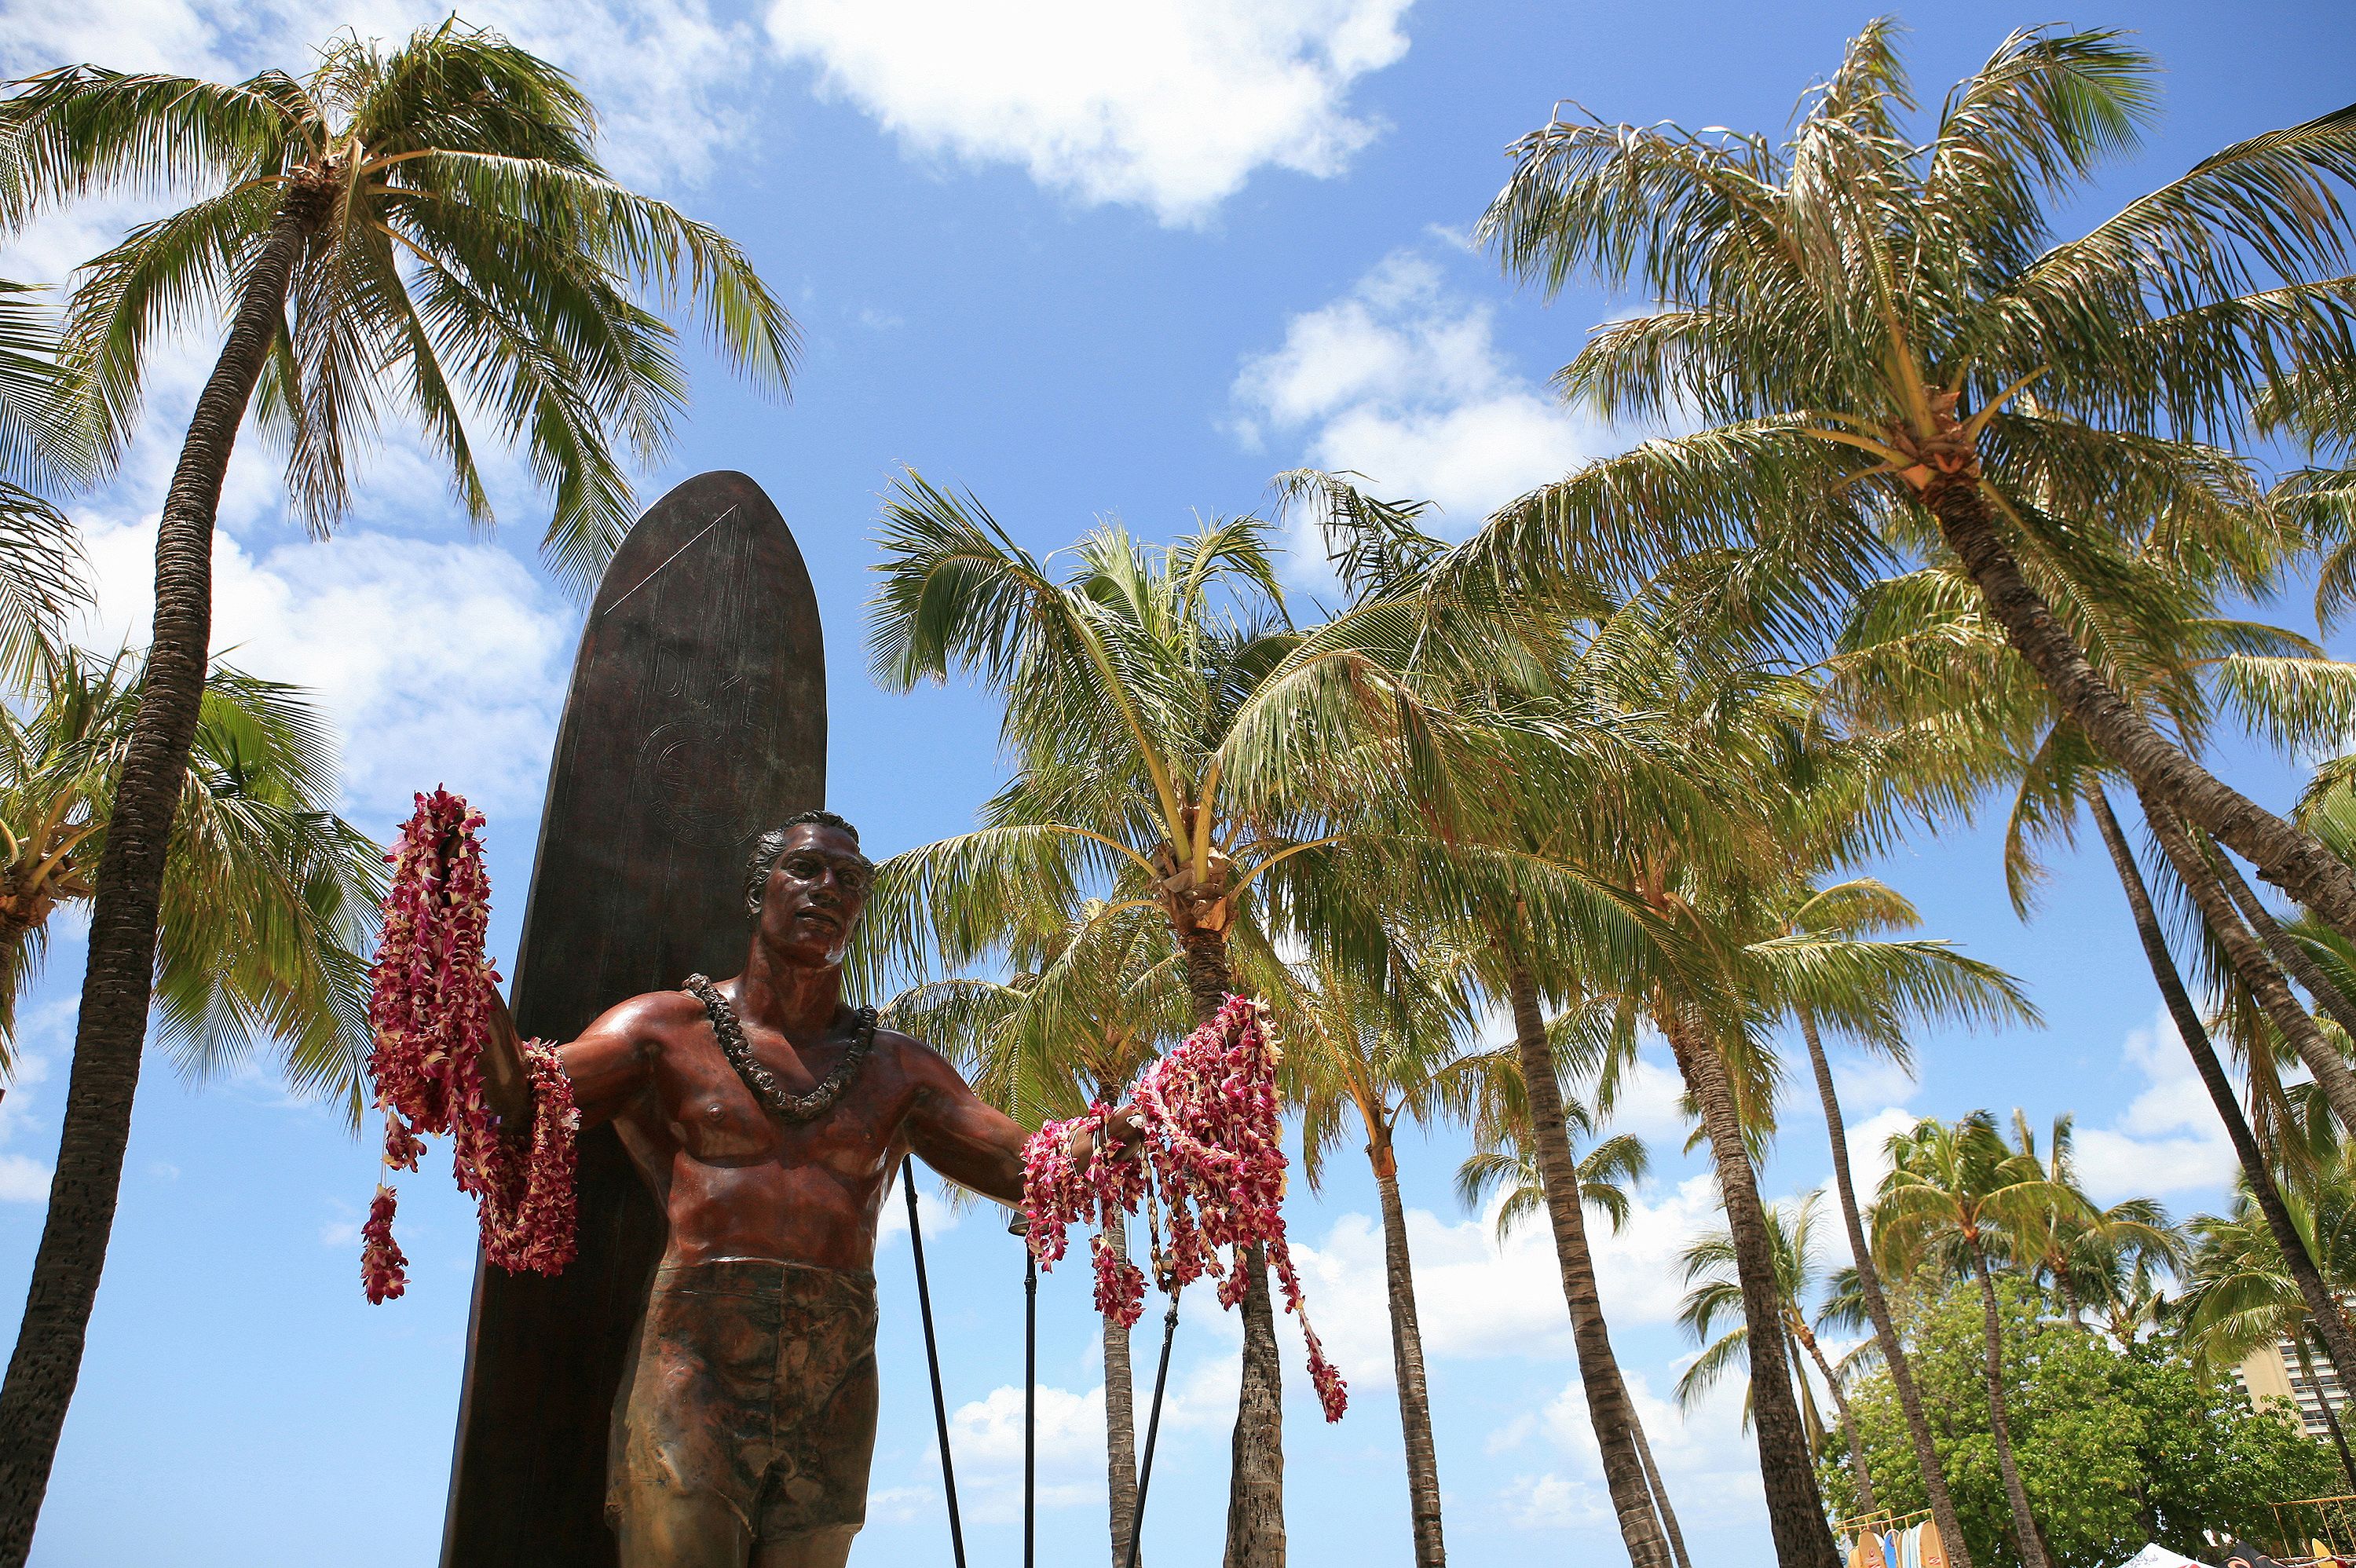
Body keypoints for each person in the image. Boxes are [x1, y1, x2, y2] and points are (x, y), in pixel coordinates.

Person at [476, 810, 1133, 1568]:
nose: (829, 889)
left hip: (837, 1366)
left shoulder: (897, 1068)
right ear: (760, 891)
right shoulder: (665, 1030)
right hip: (698, 1358)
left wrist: (1152, 1119)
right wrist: (456, 954)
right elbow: (526, 1094)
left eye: (850, 882)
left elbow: (1031, 1166)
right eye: (808, 869)